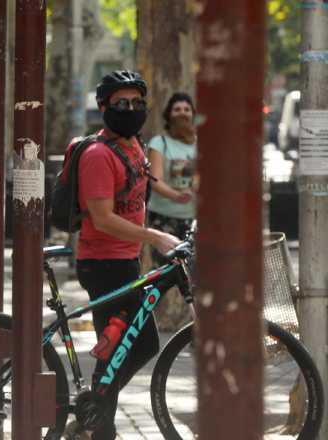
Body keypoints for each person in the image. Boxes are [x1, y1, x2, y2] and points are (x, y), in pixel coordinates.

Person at [74, 70, 181, 439]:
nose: (131, 109)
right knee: (121, 347)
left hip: (125, 260)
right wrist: (152, 236)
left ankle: (95, 414)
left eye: (137, 103)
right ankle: (97, 425)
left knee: (136, 344)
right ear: (103, 107)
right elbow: (102, 219)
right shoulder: (98, 155)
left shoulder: (134, 146)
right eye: (121, 103)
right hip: (102, 263)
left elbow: (156, 187)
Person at [147, 92, 197, 259]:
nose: (182, 113)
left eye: (186, 109)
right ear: (169, 115)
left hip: (194, 220)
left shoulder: (201, 144)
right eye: (177, 110)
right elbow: (155, 180)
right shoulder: (159, 143)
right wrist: (177, 196)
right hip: (164, 220)